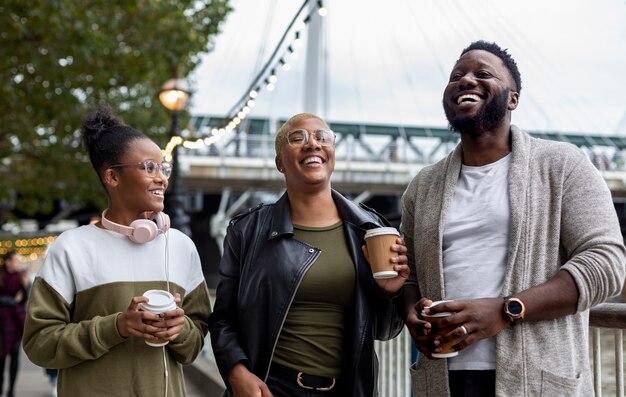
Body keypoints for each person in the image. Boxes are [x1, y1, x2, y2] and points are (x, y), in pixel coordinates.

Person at [401, 41, 626, 397]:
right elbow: (410, 272)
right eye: (456, 76)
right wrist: (411, 309)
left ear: (512, 99)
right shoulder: (423, 186)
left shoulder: (563, 165)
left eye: (483, 73)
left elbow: (607, 263)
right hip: (442, 380)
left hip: (536, 382)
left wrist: (507, 311)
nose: (466, 80)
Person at [208, 112, 409, 397]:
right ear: (280, 162)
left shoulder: (370, 229)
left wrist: (389, 293)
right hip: (271, 387)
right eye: (297, 137)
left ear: (332, 153)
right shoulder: (247, 231)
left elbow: (385, 331)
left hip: (349, 390)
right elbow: (223, 318)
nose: (312, 144)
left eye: (322, 137)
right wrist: (236, 372)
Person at [22, 106, 212, 396]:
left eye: (164, 168)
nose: (162, 178)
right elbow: (39, 344)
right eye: (150, 167)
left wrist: (179, 329)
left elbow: (193, 345)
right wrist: (118, 326)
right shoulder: (71, 247)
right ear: (112, 176)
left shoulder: (181, 247)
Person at [0, 250, 30, 397]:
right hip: (2, 323)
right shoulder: (2, 276)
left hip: (17, 322)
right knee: (1, 358)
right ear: (8, 262)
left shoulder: (21, 276)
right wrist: (13, 301)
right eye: (16, 260)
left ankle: (11, 390)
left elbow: (24, 299)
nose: (18, 263)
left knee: (14, 356)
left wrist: (25, 285)